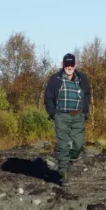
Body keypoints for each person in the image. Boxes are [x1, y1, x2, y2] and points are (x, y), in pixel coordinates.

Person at [44, 53, 91, 186]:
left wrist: (85, 112)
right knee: (63, 146)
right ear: (63, 64)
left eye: (71, 65)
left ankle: (67, 162)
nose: (69, 67)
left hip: (78, 116)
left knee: (78, 145)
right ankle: (64, 174)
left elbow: (87, 94)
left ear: (75, 65)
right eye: (67, 65)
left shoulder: (82, 78)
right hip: (61, 116)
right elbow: (48, 97)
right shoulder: (55, 79)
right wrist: (53, 114)